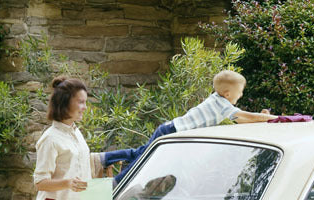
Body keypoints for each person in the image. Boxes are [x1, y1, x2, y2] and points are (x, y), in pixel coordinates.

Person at [102, 70, 277, 180]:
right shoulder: (222, 105)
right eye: (240, 93)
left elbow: (240, 120)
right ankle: (118, 182)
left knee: (141, 153)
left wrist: (261, 118)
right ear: (228, 93)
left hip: (169, 127)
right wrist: (271, 118)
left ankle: (106, 158)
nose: (240, 96)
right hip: (171, 131)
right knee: (144, 159)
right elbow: (245, 116)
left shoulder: (218, 100)